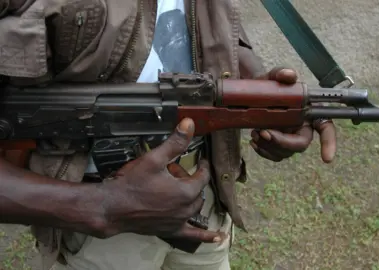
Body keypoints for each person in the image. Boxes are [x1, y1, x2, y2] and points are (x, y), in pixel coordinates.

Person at [0, 0, 337, 269]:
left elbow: (211, 28)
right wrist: (103, 207)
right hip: (95, 237)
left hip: (199, 199)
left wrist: (265, 97)